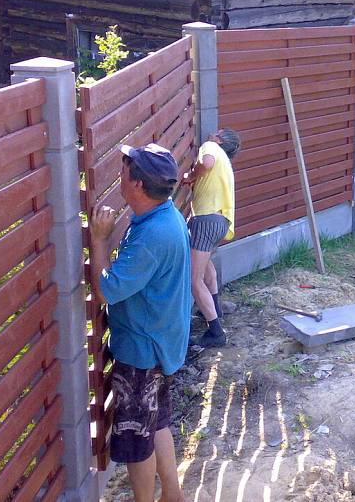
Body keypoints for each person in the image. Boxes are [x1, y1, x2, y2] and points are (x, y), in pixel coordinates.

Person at [88, 143, 189, 502]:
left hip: (142, 353)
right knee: (156, 420)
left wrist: (99, 239)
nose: (121, 173)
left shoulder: (152, 237)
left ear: (138, 186)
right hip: (162, 342)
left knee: (135, 440)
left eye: (125, 169)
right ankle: (173, 495)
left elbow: (106, 291)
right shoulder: (164, 216)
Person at [182, 128, 241, 348]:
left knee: (193, 279)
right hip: (221, 222)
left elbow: (205, 163)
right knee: (207, 270)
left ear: (220, 140)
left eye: (216, 133)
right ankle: (214, 310)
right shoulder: (226, 161)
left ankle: (216, 332)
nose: (210, 134)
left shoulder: (210, 148)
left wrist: (190, 177)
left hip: (206, 220)